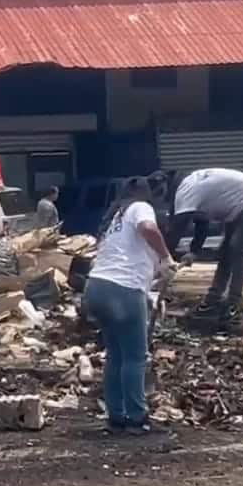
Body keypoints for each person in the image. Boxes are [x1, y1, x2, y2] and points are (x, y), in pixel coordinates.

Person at [85, 177, 173, 435]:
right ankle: (136, 418)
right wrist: (167, 256)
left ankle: (116, 417)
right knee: (135, 357)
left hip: (97, 288)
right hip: (123, 291)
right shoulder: (140, 208)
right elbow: (148, 228)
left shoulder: (116, 219)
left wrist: (158, 273)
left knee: (116, 356)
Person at [160, 168, 243, 322]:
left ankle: (233, 304)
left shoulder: (186, 191)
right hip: (239, 204)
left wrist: (164, 258)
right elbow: (202, 223)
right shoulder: (193, 188)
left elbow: (177, 228)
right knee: (225, 253)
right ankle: (213, 300)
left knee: (237, 249)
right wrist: (194, 251)